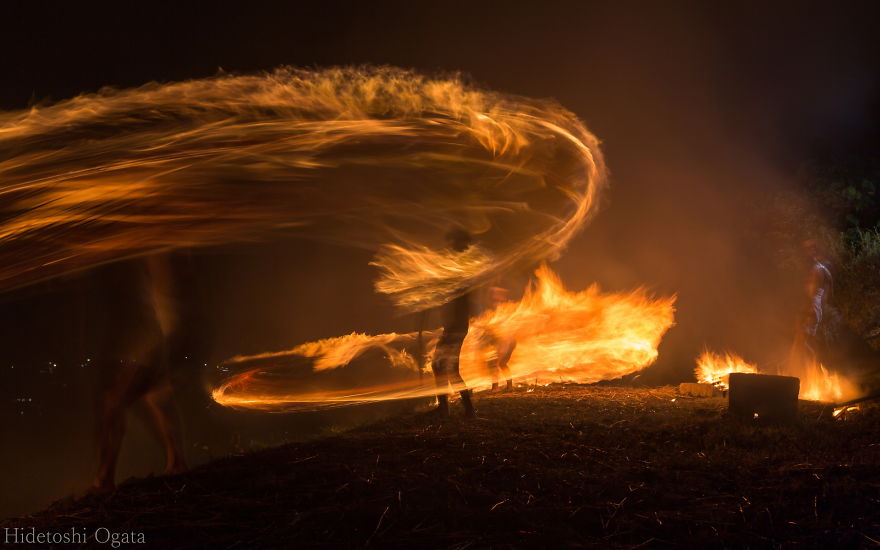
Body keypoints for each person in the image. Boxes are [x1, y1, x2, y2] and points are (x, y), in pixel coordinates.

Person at [90, 254, 187, 492]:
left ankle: (104, 479)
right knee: (153, 400)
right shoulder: (136, 257)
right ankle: (177, 461)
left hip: (148, 342)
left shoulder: (139, 254)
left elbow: (156, 290)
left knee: (115, 403)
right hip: (147, 341)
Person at [431, 229, 476, 418]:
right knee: (439, 366)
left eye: (453, 242)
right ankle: (449, 408)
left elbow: (459, 294)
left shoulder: (463, 266)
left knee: (447, 368)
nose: (449, 246)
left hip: (456, 327)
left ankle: (467, 410)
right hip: (454, 326)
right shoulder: (461, 267)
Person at [791, 239, 833, 369]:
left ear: (815, 251)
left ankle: (817, 369)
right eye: (805, 249)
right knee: (805, 341)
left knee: (802, 342)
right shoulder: (819, 269)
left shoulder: (819, 270)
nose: (806, 253)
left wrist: (811, 309)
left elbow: (818, 292)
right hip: (812, 308)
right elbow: (828, 290)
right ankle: (817, 368)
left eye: (809, 249)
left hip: (812, 309)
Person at [482, 284, 515, 392]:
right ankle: (506, 386)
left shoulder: (499, 308)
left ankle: (497, 387)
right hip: (502, 340)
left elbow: (499, 327)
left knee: (496, 363)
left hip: (506, 340)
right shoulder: (493, 309)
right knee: (498, 363)